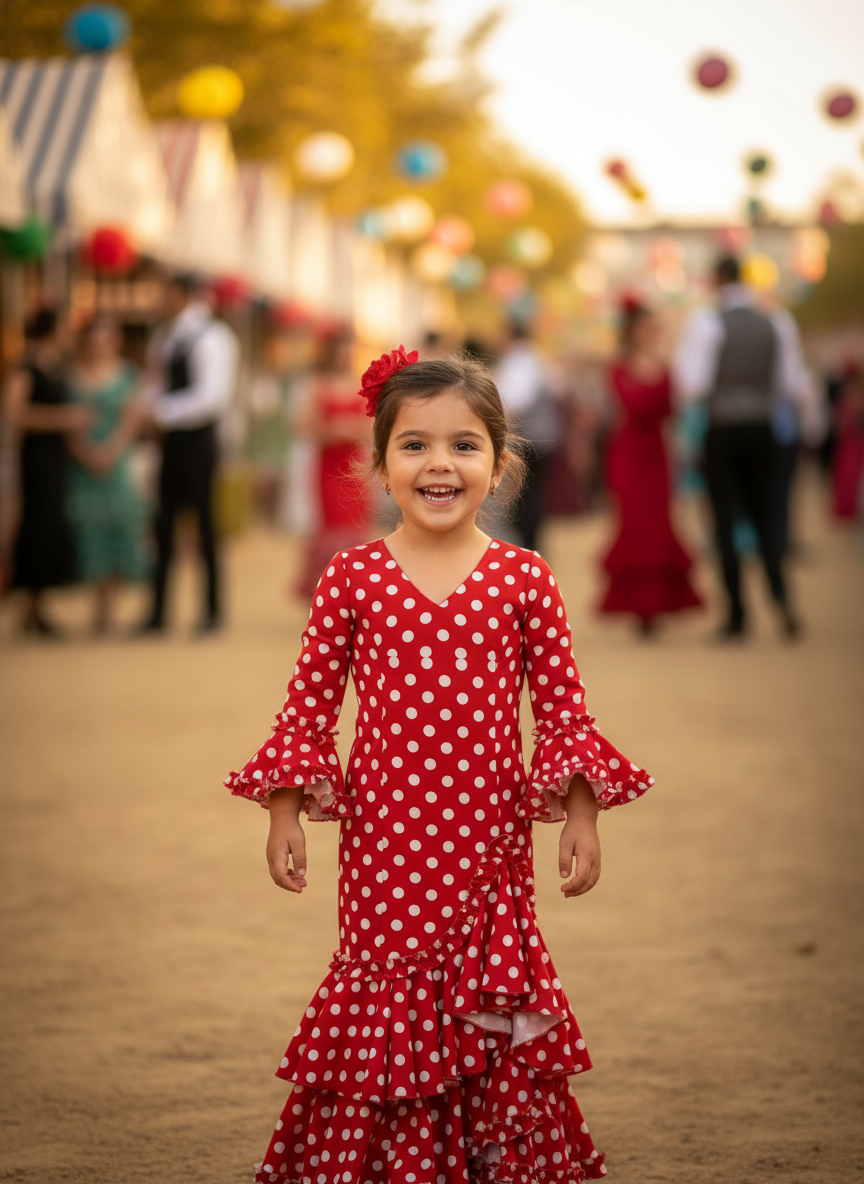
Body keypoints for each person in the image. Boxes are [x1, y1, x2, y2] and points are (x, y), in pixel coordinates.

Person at [225, 348, 653, 1184]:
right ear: (380, 464)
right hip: (385, 848)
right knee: (386, 997)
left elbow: (563, 709)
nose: (439, 464)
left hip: (488, 846)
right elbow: (308, 708)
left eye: (464, 445)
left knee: (485, 997)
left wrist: (582, 814)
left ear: (499, 464)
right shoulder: (350, 578)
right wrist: (283, 813)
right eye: (414, 445)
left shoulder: (526, 580)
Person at [674, 256, 806, 639]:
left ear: (718, 279)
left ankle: (737, 615)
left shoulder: (707, 321)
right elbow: (790, 384)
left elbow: (693, 385)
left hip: (723, 428)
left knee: (725, 520)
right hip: (763, 427)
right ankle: (782, 601)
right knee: (767, 516)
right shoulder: (776, 321)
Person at [139, 274, 239, 635]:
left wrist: (159, 411)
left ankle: (211, 610)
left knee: (204, 523)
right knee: (163, 523)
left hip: (199, 441)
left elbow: (212, 398)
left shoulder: (214, 337)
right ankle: (157, 611)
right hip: (170, 442)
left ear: (181, 293)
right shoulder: (165, 337)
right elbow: (154, 383)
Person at [600, 299, 701, 635]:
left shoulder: (667, 368)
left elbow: (673, 412)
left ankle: (658, 604)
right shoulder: (618, 368)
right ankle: (638, 608)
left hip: (657, 455)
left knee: (659, 524)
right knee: (632, 524)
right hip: (628, 453)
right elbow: (631, 405)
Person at [2, 307, 89, 636]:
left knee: (51, 525)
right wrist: (63, 419)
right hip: (37, 458)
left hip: (56, 457)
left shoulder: (57, 366)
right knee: (37, 525)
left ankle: (38, 605)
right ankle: (30, 604)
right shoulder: (28, 365)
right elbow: (15, 413)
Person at [66, 316, 149, 633]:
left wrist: (111, 452)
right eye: (96, 338)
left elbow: (132, 418)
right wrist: (85, 452)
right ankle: (95, 604)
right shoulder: (74, 375)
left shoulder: (128, 374)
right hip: (83, 464)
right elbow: (69, 423)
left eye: (107, 338)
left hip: (116, 463)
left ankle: (111, 605)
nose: (101, 344)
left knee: (119, 527)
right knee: (88, 530)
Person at [294, 327, 372, 597]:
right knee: (331, 525)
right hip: (328, 466)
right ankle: (329, 588)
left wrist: (353, 429)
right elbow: (301, 427)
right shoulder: (317, 385)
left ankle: (352, 588)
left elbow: (373, 427)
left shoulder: (361, 384)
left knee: (356, 524)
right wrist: (332, 430)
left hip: (356, 467)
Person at [494, 321, 560, 552]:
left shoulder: (520, 360)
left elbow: (517, 402)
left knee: (525, 496)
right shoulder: (531, 357)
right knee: (529, 495)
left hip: (530, 439)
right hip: (539, 437)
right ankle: (529, 544)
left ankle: (528, 546)